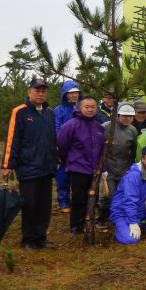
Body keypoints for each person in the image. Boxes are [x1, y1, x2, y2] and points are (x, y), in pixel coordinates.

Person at [1, 77, 58, 249]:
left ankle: (41, 238)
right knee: (30, 205)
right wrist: (7, 165)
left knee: (44, 206)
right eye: (37, 91)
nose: (41, 94)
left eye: (43, 91)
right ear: (29, 92)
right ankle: (28, 239)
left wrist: (56, 158)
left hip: (46, 167)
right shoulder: (20, 112)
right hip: (28, 167)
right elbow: (12, 139)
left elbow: (52, 139)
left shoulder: (49, 112)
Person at [56, 97, 105, 235]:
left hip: (95, 171)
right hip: (78, 169)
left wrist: (102, 169)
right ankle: (76, 227)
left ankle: (88, 223)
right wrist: (70, 161)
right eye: (87, 107)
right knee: (78, 199)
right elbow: (61, 145)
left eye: (93, 107)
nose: (90, 109)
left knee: (93, 199)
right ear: (80, 108)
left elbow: (102, 150)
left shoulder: (99, 127)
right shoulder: (71, 125)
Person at [110, 144, 146, 244]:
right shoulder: (133, 175)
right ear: (142, 158)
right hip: (122, 212)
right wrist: (133, 222)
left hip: (139, 209)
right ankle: (121, 227)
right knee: (130, 240)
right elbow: (129, 201)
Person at [100, 102, 138, 221]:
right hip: (108, 168)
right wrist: (102, 168)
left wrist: (130, 169)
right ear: (117, 115)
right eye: (124, 116)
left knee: (122, 195)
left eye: (130, 116)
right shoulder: (106, 127)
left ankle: (118, 219)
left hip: (124, 168)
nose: (127, 119)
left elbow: (134, 151)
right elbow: (99, 148)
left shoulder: (133, 130)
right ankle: (101, 218)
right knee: (107, 195)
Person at [53, 80, 81, 212]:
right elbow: (56, 128)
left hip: (79, 149)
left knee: (78, 176)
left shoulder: (82, 108)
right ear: (65, 94)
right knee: (63, 176)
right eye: (71, 93)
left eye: (76, 93)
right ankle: (63, 202)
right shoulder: (59, 110)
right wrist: (59, 146)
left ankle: (77, 201)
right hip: (64, 148)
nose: (74, 95)